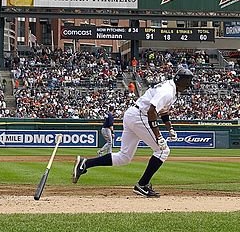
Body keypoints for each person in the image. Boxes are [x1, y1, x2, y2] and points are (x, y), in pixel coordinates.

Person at [72, 66, 195, 198]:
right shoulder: (167, 91)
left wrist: (169, 128)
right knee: (163, 150)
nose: (188, 86)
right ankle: (142, 185)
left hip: (133, 114)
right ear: (181, 80)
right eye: (187, 83)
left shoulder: (172, 89)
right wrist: (158, 135)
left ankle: (85, 163)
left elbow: (163, 111)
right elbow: (151, 111)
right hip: (140, 116)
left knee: (124, 157)